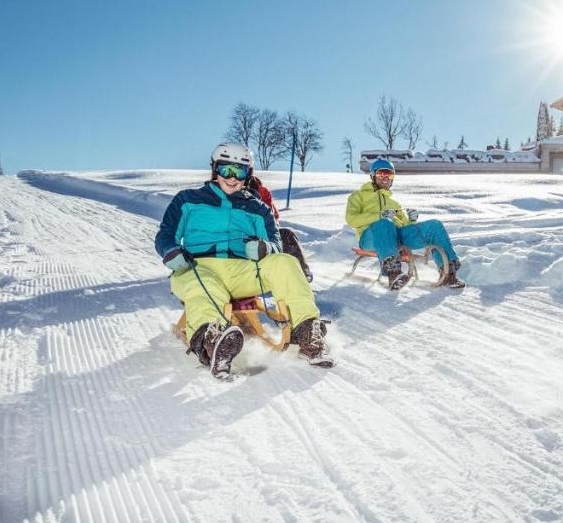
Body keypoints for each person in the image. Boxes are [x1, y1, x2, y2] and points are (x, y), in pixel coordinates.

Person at [155, 142, 332, 377]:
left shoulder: (258, 208)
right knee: (203, 287)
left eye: (239, 171)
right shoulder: (188, 200)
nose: (232, 177)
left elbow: (276, 245)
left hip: (243, 271)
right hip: (197, 267)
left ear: (248, 175)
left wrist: (263, 248)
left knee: (286, 262)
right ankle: (211, 342)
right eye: (226, 169)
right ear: (214, 169)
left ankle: (307, 332)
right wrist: (171, 252)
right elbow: (166, 235)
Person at [344, 158, 465, 290]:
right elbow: (351, 219)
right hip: (370, 237)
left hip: (396, 237)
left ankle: (448, 274)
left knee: (434, 226)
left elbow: (403, 227)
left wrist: (411, 220)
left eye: (389, 174)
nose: (385, 178)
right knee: (384, 223)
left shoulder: (394, 204)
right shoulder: (358, 196)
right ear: (373, 176)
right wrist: (379, 216)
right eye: (381, 174)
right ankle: (394, 273)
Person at [246, 174, 314, 282]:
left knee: (286, 234)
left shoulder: (261, 196)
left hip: (265, 234)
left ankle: (301, 271)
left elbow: (273, 217)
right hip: (244, 237)